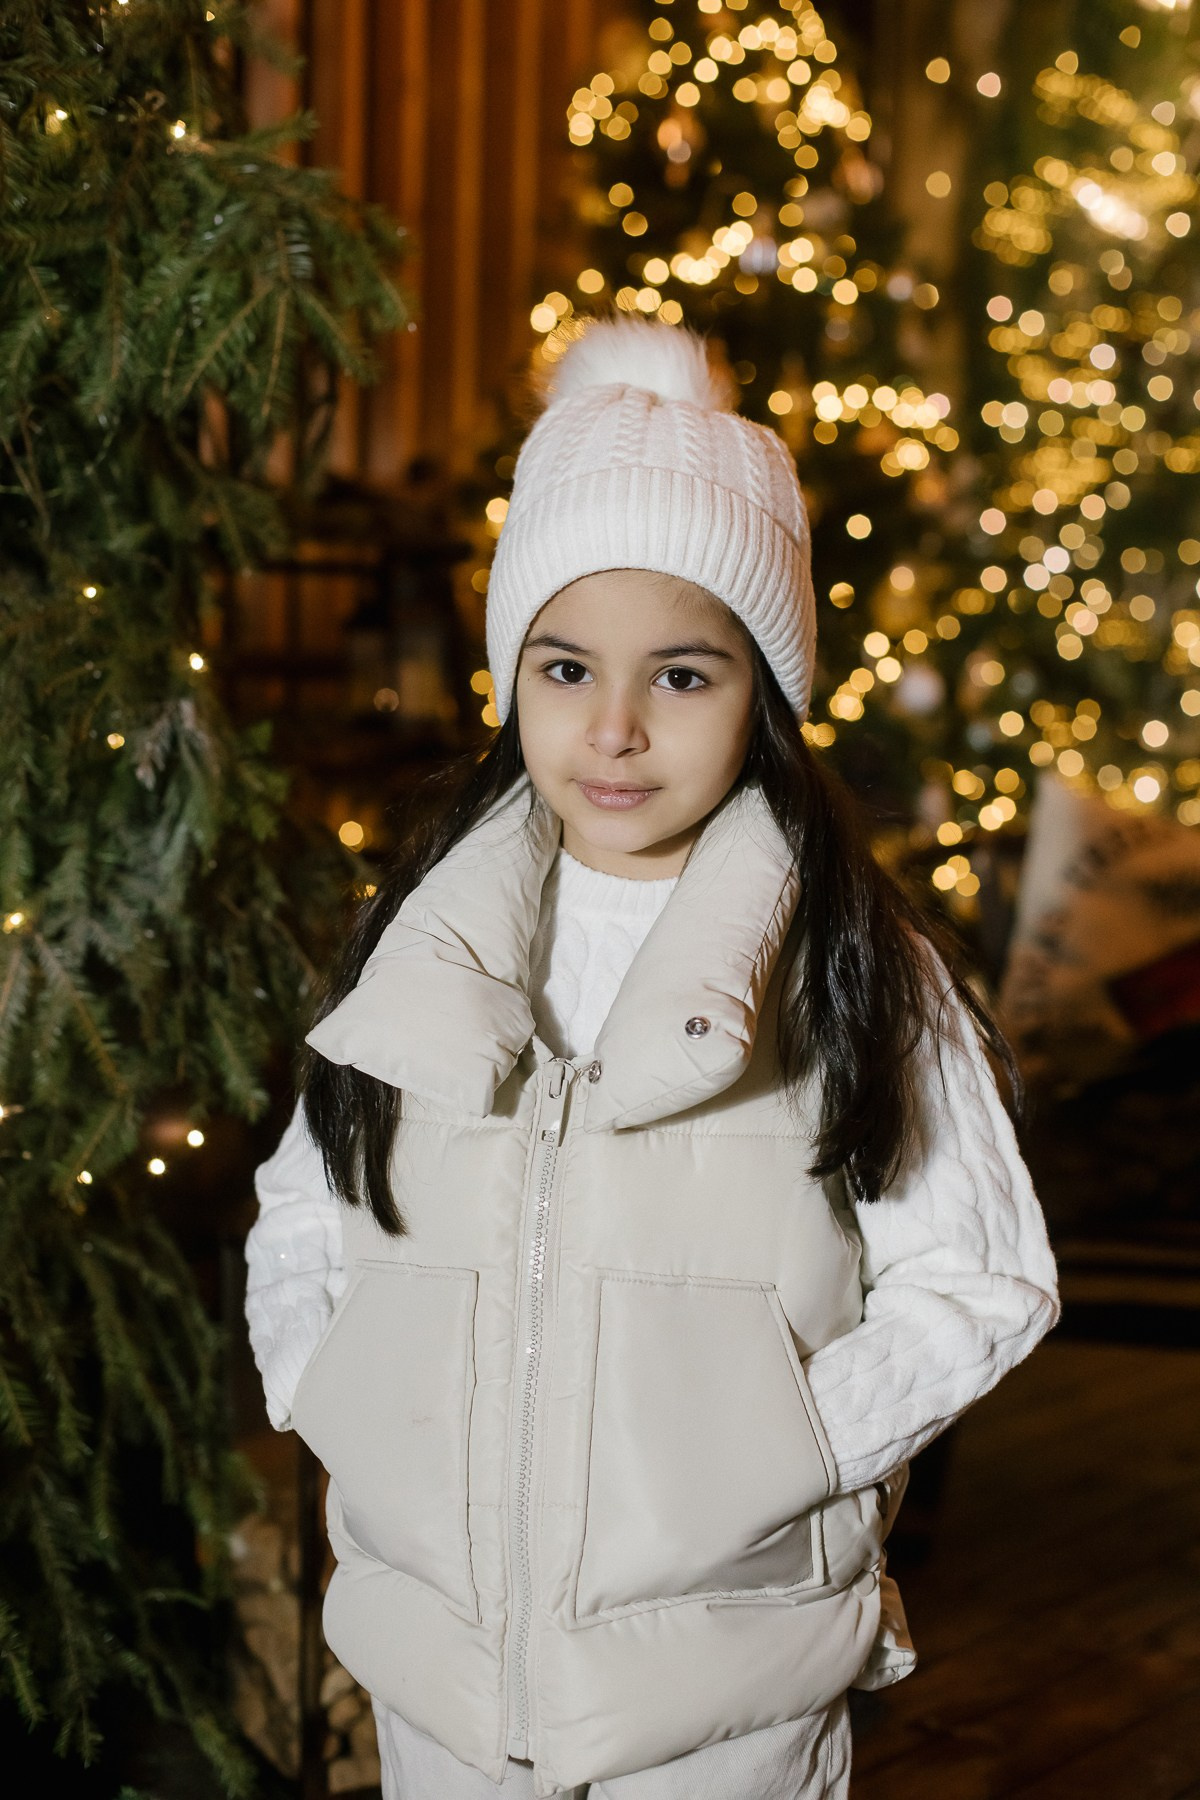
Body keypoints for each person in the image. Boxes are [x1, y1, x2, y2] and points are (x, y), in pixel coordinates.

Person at [244, 317, 1060, 1800]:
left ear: (765, 691)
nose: (613, 730)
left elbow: (982, 1279)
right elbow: (308, 1201)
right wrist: (333, 1387)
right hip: (436, 1684)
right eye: (566, 667)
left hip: (722, 1697)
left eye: (681, 677)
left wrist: (777, 1445)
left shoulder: (852, 966)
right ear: (516, 676)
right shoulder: (428, 948)